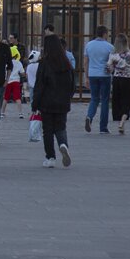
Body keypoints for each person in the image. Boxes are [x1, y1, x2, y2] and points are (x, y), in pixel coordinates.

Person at [32, 34, 75, 168]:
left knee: (48, 130)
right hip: (62, 102)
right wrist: (68, 97)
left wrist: (35, 104)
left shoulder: (44, 63)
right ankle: (63, 144)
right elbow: (72, 85)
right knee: (61, 126)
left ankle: (50, 157)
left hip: (47, 102)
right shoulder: (66, 63)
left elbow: (39, 85)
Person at [107, 34, 130, 133]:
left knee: (118, 101)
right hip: (126, 80)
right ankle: (122, 122)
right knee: (127, 101)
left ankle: (121, 124)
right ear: (126, 42)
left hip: (116, 80)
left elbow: (109, 68)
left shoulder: (113, 54)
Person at [84, 26, 114, 133]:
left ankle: (89, 117)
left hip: (92, 74)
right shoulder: (110, 47)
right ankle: (103, 127)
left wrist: (86, 76)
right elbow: (112, 62)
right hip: (105, 75)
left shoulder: (89, 45)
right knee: (105, 101)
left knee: (94, 99)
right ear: (105, 34)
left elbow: (86, 62)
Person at [1, 54, 25, 119]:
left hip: (8, 81)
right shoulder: (18, 62)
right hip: (16, 81)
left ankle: (2, 113)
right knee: (18, 98)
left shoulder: (6, 62)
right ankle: (20, 113)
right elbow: (22, 73)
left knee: (6, 98)